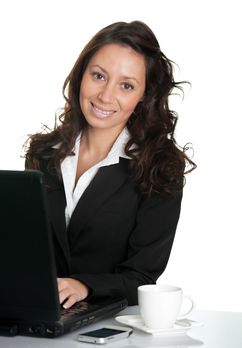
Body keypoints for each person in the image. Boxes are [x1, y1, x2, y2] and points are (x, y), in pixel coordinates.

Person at [24, 20, 195, 308]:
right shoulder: (43, 153)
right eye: (99, 76)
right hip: (38, 315)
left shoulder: (161, 169)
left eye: (126, 85)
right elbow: (28, 249)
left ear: (143, 97)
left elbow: (141, 277)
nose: (105, 96)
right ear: (81, 75)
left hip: (111, 325)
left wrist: (84, 286)